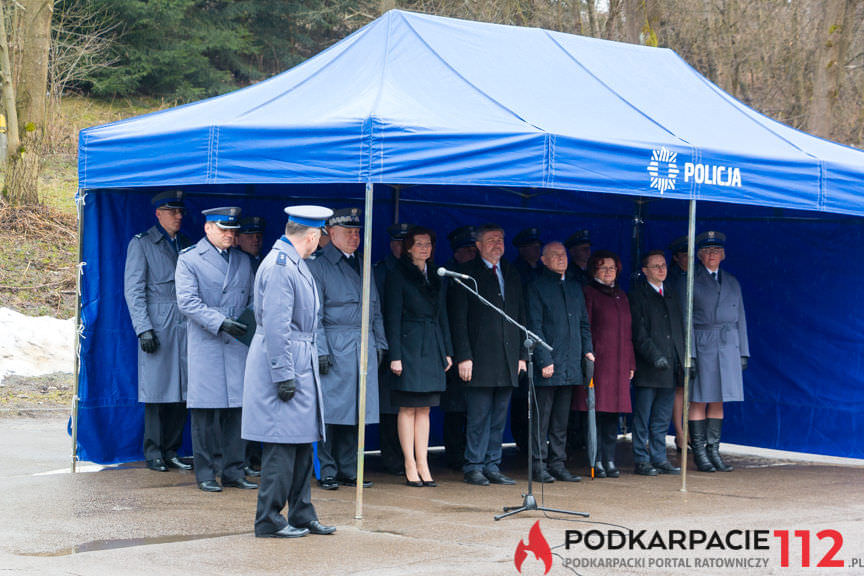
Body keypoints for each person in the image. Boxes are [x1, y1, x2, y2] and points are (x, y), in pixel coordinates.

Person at [242, 205, 336, 539]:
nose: (319, 241)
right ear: (311, 236)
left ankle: (300, 513)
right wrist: (283, 374)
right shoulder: (282, 266)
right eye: (320, 235)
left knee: (300, 445)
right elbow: (277, 327)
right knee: (281, 447)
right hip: (285, 361)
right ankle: (268, 518)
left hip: (299, 359)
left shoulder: (294, 262)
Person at [175, 206, 257, 492]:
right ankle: (206, 472)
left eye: (232, 231)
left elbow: (252, 298)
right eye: (223, 230)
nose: (229, 235)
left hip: (236, 342)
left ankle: (234, 470)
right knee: (206, 414)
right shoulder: (189, 259)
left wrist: (246, 320)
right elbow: (187, 302)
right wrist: (221, 322)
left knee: (237, 411)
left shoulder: (243, 261)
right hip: (208, 340)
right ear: (208, 228)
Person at [308, 207, 388, 490]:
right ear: (331, 233)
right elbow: (314, 313)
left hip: (362, 344)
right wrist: (320, 349)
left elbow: (375, 307)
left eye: (357, 232)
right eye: (348, 232)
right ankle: (327, 470)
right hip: (335, 343)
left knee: (356, 412)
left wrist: (380, 342)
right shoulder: (318, 265)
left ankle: (349, 468)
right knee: (330, 413)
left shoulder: (364, 263)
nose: (355, 237)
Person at [448, 223, 526, 486]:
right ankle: (474, 465)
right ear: (478, 245)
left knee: (498, 417)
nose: (498, 244)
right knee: (479, 416)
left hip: (507, 358)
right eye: (491, 240)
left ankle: (493, 465)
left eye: (501, 239)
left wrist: (522, 356)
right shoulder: (466, 274)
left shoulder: (512, 273)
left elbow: (520, 316)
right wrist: (464, 356)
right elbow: (459, 320)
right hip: (479, 358)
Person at [124, 190, 193, 472]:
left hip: (185, 324)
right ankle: (153, 451)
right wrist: (143, 329)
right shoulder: (142, 244)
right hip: (158, 323)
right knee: (156, 392)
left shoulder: (187, 244)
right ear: (158, 214)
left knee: (182, 392)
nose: (178, 216)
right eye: (172, 211)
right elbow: (134, 289)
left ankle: (172, 450)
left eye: (180, 212)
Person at [384, 226, 453, 486]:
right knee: (408, 406)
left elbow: (442, 316)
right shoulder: (397, 275)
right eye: (419, 244)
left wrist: (447, 350)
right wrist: (396, 355)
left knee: (425, 407)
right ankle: (409, 463)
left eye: (428, 244)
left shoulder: (436, 275)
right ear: (409, 248)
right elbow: (392, 317)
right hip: (409, 345)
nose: (425, 248)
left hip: (431, 344)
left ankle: (423, 462)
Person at [525, 241, 593, 483]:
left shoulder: (575, 287)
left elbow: (584, 324)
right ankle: (538, 464)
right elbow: (534, 326)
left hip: (571, 362)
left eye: (563, 254)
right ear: (543, 260)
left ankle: (558, 462)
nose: (561, 258)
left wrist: (588, 351)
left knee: (561, 419)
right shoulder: (537, 287)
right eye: (555, 255)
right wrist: (544, 358)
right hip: (549, 363)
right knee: (542, 418)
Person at [690, 231, 749, 473]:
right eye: (707, 251)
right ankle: (700, 453)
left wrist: (743, 351)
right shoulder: (691, 280)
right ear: (700, 255)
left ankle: (714, 450)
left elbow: (741, 319)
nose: (712, 255)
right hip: (703, 344)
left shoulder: (732, 281)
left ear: (723, 255)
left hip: (727, 346)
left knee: (719, 398)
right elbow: (686, 320)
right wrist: (690, 354)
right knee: (699, 399)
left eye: (716, 251)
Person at [574, 250, 635, 478]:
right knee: (596, 414)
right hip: (599, 363)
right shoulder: (589, 293)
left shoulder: (621, 296)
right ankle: (596, 459)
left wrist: (631, 363)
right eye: (603, 268)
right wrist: (588, 354)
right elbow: (585, 327)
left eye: (612, 268)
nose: (608, 272)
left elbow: (628, 333)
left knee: (613, 415)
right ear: (594, 271)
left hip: (619, 364)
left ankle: (610, 459)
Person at [629, 250, 685, 476]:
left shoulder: (670, 293)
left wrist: (681, 359)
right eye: (656, 266)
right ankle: (641, 459)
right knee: (643, 416)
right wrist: (654, 356)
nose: (662, 269)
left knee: (662, 417)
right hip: (649, 367)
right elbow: (639, 333)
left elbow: (678, 331)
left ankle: (659, 458)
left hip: (670, 367)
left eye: (663, 265)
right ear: (645, 271)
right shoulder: (638, 295)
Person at [374, 222, 413, 476]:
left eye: (405, 243)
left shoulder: (414, 271)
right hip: (388, 345)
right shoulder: (381, 270)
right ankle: (391, 458)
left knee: (410, 404)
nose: (401, 247)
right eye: (398, 242)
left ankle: (405, 456)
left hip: (411, 346)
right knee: (389, 406)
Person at [440, 225, 476, 470]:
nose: (471, 254)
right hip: (453, 349)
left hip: (476, 351)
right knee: (454, 408)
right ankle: (454, 454)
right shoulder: (448, 275)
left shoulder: (474, 276)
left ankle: (469, 452)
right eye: (466, 250)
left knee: (474, 407)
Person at [664, 235, 690, 454]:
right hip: (677, 339)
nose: (688, 259)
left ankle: (694, 433)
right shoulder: (671, 279)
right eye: (684, 255)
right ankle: (680, 432)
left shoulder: (698, 276)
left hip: (698, 338)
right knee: (679, 388)